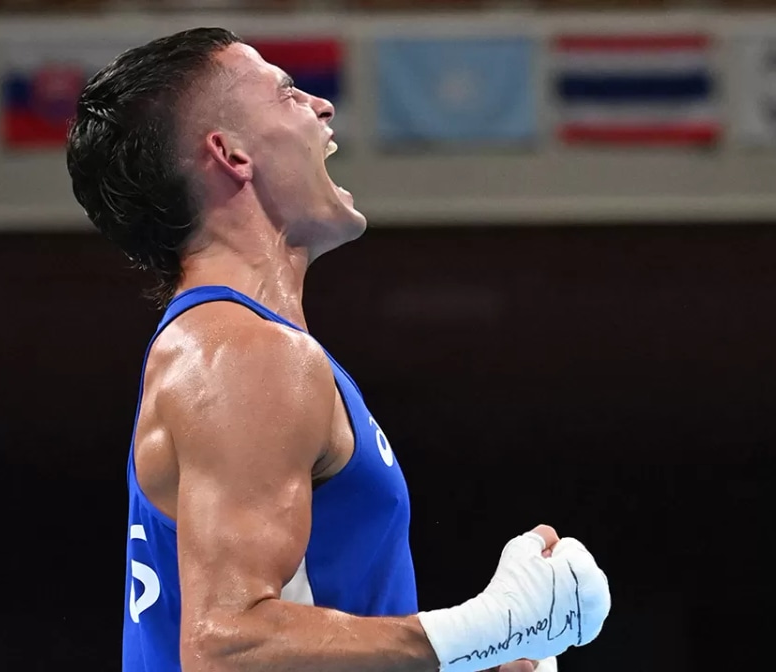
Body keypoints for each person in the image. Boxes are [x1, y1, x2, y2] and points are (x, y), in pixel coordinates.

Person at [66, 27, 611, 672]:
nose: (322, 107)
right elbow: (225, 648)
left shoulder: (241, 348)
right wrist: (485, 624)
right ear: (231, 153)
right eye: (288, 93)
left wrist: (490, 656)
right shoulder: (241, 350)